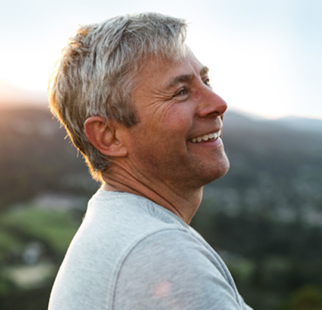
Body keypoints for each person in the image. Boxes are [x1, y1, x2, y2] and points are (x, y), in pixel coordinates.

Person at [47, 13, 252, 309]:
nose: (218, 103)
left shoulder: (124, 230)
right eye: (181, 92)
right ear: (109, 136)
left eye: (205, 80)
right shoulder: (158, 252)